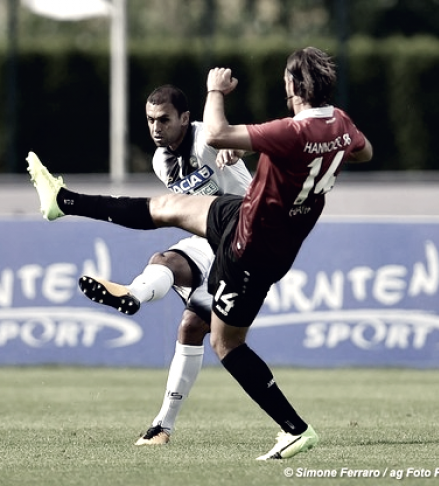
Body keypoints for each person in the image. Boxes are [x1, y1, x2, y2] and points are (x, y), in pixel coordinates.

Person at [27, 46, 373, 460]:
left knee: (226, 345)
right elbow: (363, 151)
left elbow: (215, 134)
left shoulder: (291, 131)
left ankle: (295, 428)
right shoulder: (340, 123)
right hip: (260, 226)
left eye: (285, 76)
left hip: (247, 245)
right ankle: (66, 203)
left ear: (293, 85)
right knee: (167, 210)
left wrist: (215, 91)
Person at [78, 85, 252, 446]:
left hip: (244, 240)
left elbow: (241, 136)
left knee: (200, 330)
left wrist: (236, 146)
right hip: (208, 238)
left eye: (164, 119)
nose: (156, 127)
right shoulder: (161, 162)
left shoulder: (207, 137)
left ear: (185, 119)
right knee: (163, 262)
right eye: (150, 120)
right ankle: (132, 294)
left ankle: (164, 427)